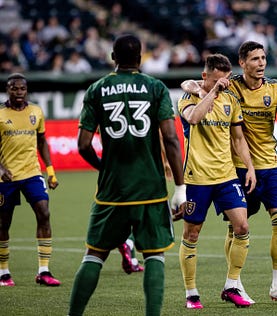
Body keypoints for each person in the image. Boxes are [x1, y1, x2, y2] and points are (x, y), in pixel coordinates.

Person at [67, 34, 186, 316]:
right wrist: (180, 187)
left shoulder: (97, 89)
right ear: (140, 56)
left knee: (94, 255)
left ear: (113, 57)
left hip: (112, 191)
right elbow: (170, 139)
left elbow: (83, 145)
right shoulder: (155, 88)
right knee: (155, 254)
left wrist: (102, 166)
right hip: (151, 190)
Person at [181, 40, 277, 305]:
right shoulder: (231, 85)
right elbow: (192, 84)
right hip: (236, 168)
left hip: (269, 167)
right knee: (237, 228)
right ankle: (234, 283)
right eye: (255, 59)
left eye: (263, 58)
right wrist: (198, 89)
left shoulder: (275, 88)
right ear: (243, 63)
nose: (261, 64)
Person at [177, 53, 256, 309]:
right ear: (204, 77)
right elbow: (194, 118)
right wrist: (208, 93)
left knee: (242, 227)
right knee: (192, 233)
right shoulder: (187, 98)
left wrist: (250, 168)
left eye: (225, 80)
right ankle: (191, 292)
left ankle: (232, 285)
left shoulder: (231, 101)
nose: (222, 85)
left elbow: (238, 139)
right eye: (216, 80)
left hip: (226, 176)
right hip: (197, 178)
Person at [0, 73, 61, 287]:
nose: (18, 92)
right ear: (7, 89)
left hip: (32, 173)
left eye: (22, 89)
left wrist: (50, 171)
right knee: (3, 223)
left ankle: (44, 271)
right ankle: (4, 273)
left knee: (44, 213)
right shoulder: (0, 114)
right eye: (14, 88)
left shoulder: (36, 111)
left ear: (26, 90)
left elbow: (42, 141)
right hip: (5, 178)